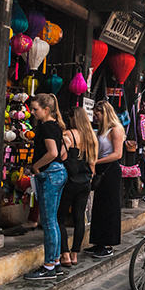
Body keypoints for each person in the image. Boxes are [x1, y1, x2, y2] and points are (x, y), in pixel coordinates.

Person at [25, 94, 68, 280]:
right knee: (53, 220)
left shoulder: (47, 127)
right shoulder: (56, 126)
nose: (33, 113)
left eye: (35, 109)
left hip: (50, 173)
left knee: (49, 221)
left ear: (46, 110)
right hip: (58, 172)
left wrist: (36, 166)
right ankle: (55, 262)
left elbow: (53, 153)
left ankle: (49, 264)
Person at [57, 108, 98, 267]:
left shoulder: (68, 135)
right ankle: (75, 255)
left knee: (59, 217)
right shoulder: (91, 137)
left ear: (74, 119)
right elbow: (93, 164)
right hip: (85, 181)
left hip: (69, 181)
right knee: (79, 217)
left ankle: (65, 254)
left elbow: (60, 156)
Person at [87, 101, 125, 258]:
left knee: (110, 206)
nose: (96, 117)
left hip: (110, 169)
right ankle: (98, 242)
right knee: (99, 206)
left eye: (98, 114)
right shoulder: (101, 129)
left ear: (105, 113)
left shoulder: (115, 129)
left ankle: (108, 244)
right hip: (101, 168)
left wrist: (96, 162)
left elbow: (118, 154)